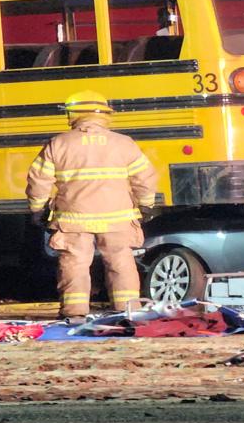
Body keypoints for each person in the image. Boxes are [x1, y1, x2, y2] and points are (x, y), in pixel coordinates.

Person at [25, 90, 159, 324]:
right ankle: (127, 310)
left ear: (73, 114)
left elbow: (39, 180)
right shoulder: (123, 143)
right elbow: (145, 178)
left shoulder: (59, 143)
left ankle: (75, 313)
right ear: (105, 115)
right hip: (117, 217)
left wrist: (37, 209)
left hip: (74, 217)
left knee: (74, 262)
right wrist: (146, 204)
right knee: (120, 261)